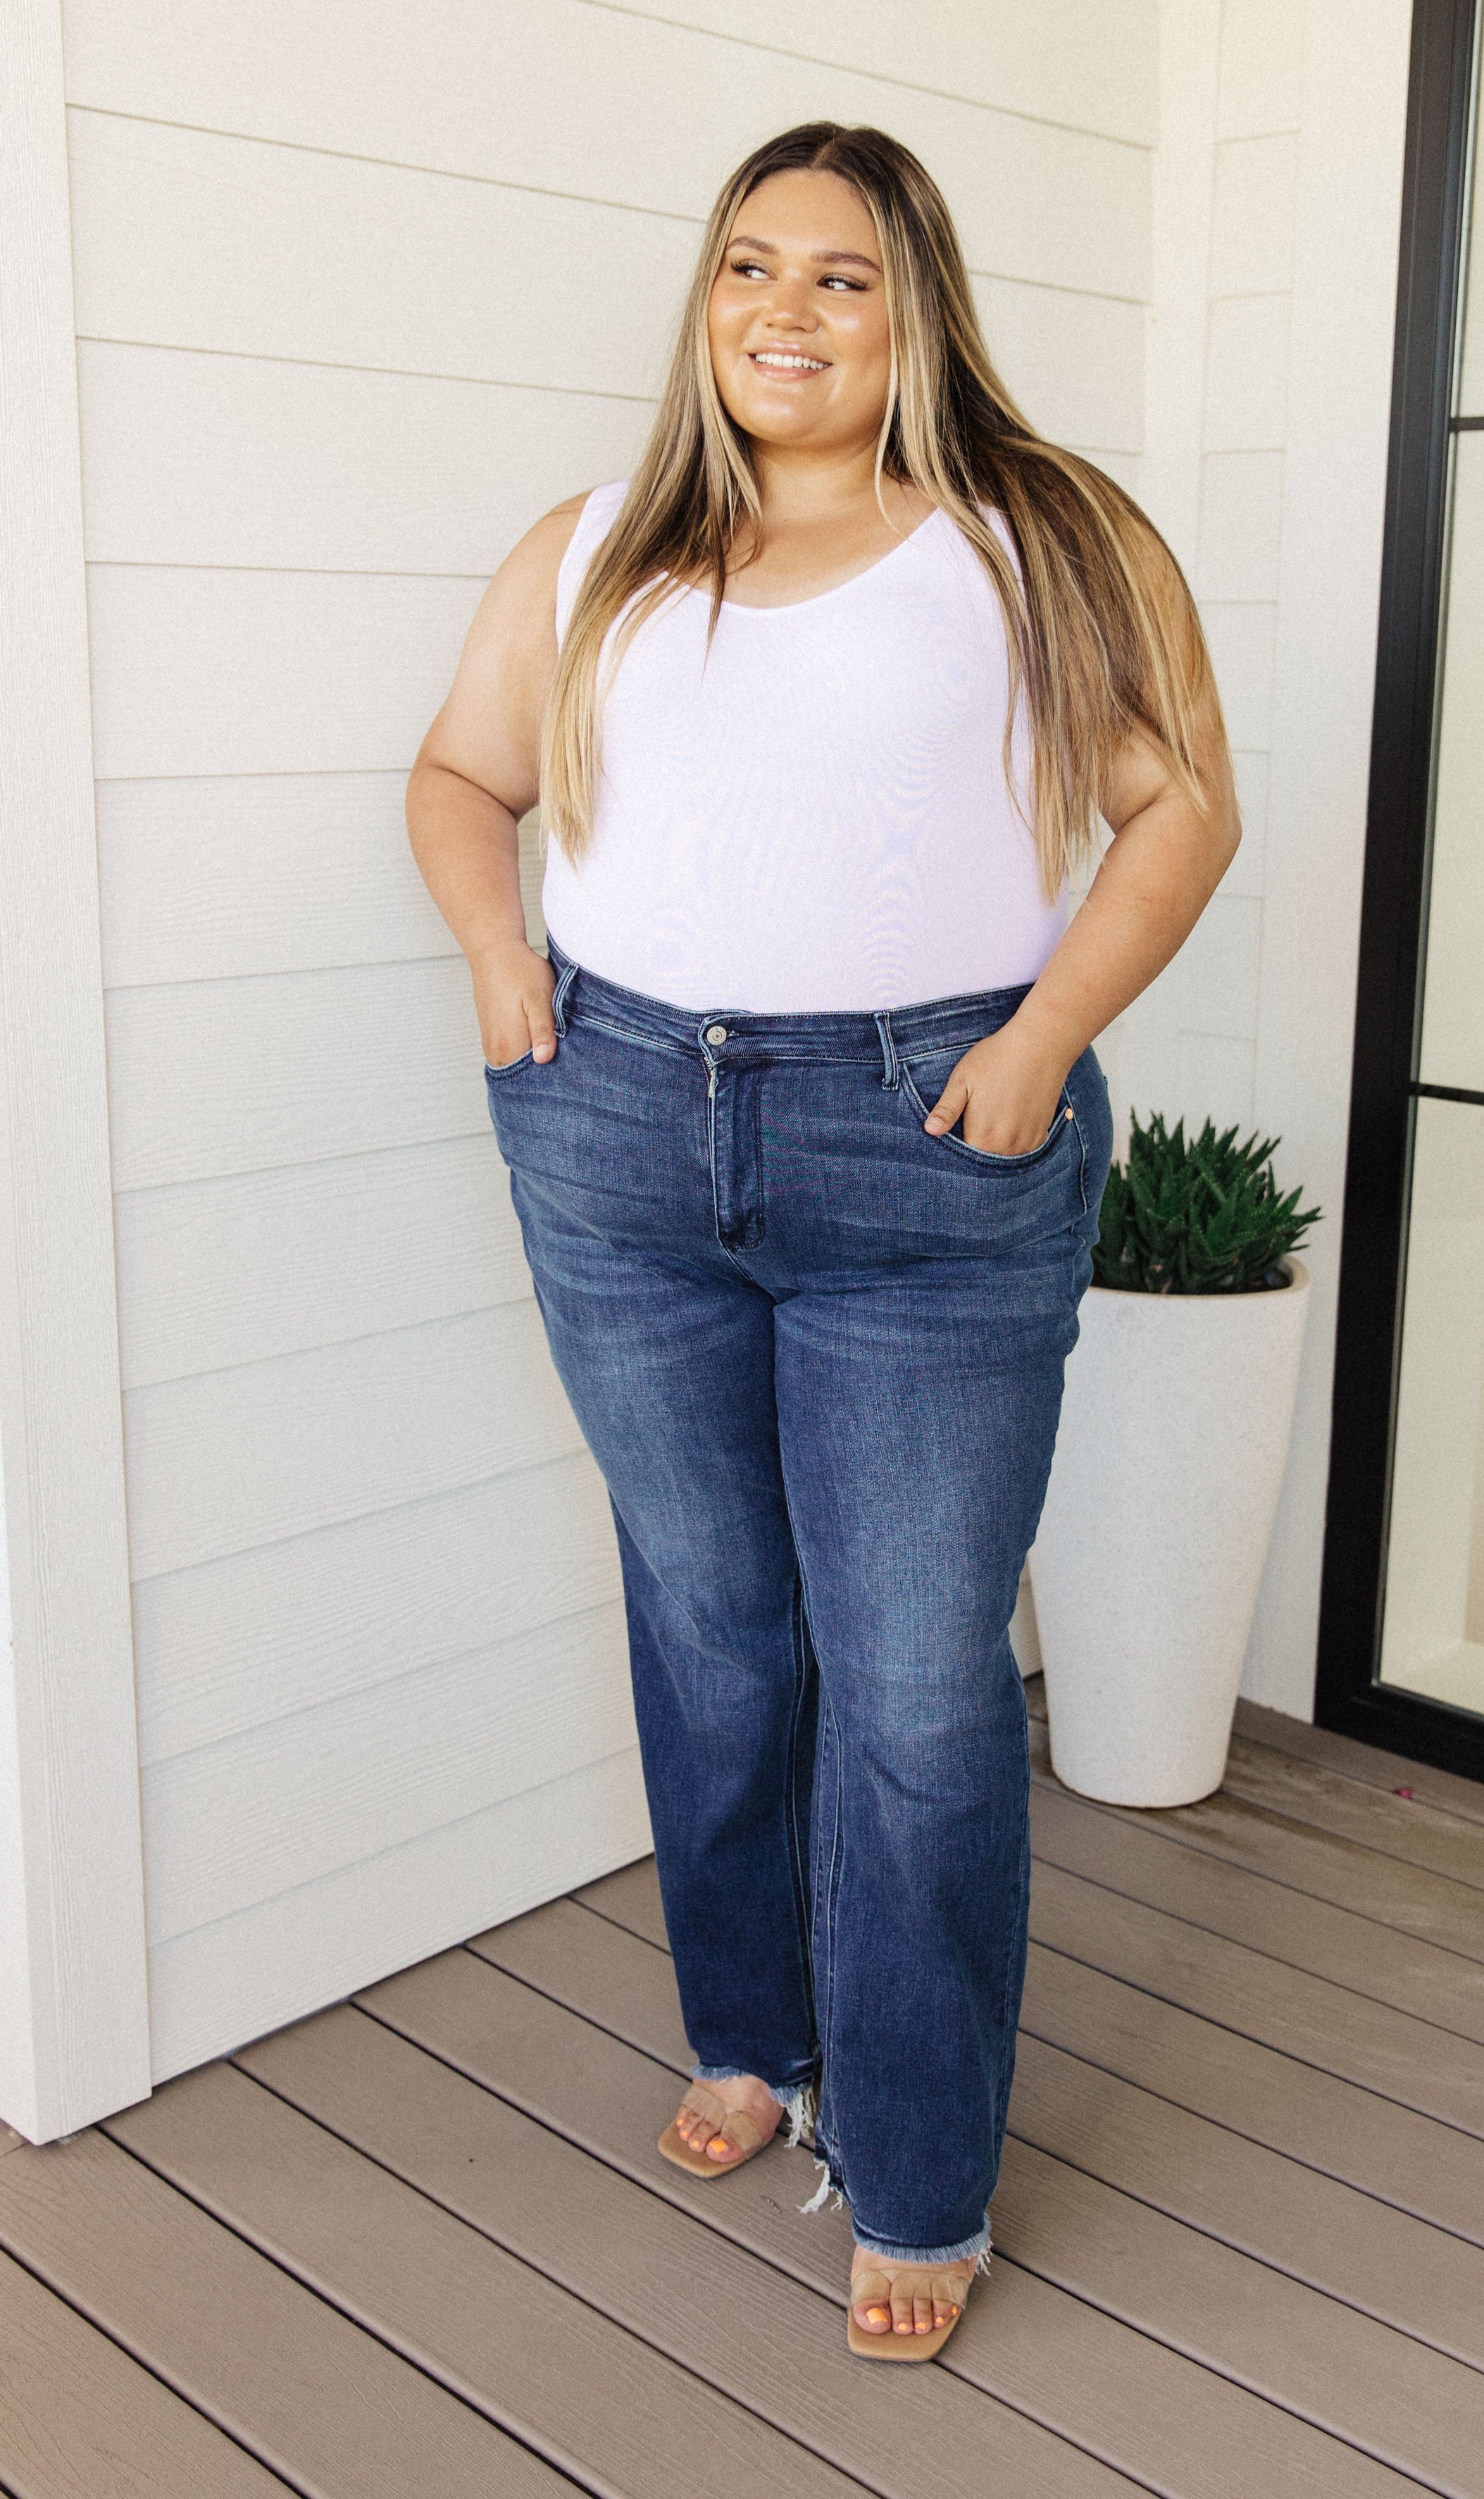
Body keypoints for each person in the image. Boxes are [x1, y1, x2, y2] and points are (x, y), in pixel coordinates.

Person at [407, 120, 1238, 2361]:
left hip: (931, 1155)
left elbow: (1180, 811)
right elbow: (462, 778)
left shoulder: (1040, 538)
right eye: (750, 267)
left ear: (917, 307)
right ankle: (754, 2037)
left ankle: (922, 2164)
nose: (787, 312)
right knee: (708, 1618)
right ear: (708, 299)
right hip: (614, 1132)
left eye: (842, 277)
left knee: (918, 1682)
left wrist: (1047, 1040)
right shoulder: (591, 547)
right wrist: (499, 959)